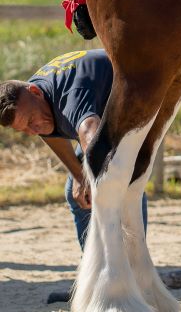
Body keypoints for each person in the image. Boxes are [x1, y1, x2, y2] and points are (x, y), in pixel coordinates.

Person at [0, 49, 148, 304]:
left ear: (35, 92)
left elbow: (90, 131)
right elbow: (51, 134)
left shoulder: (70, 98)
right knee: (76, 191)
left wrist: (93, 179)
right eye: (24, 129)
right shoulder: (35, 101)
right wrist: (79, 177)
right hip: (100, 116)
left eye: (31, 120)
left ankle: (134, 275)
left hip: (139, 96)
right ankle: (95, 274)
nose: (33, 130)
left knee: (121, 188)